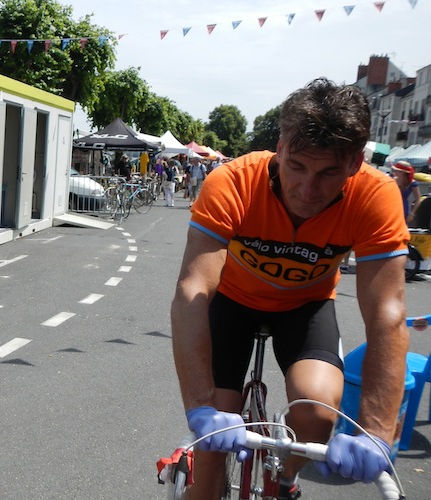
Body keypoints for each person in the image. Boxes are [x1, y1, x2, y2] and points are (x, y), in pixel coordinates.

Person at [171, 78, 409, 499]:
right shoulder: (233, 181)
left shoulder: (376, 195)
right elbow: (193, 289)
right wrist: (201, 408)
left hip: (306, 306)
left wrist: (377, 429)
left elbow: (386, 314)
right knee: (207, 476)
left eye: (329, 172)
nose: (307, 188)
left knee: (317, 414)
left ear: (355, 162)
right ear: (279, 146)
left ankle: (285, 478)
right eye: (297, 166)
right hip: (232, 303)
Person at [391, 160, 422, 225]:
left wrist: (412, 213)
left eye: (397, 170)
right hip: (391, 207)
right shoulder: (391, 180)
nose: (395, 172)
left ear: (403, 173)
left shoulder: (412, 183)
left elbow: (418, 199)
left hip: (403, 209)